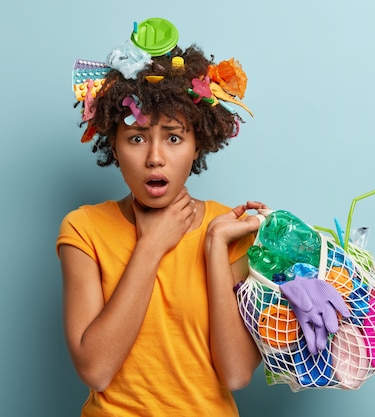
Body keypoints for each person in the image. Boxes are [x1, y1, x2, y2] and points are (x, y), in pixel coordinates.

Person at [56, 17, 265, 416]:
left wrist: (217, 248)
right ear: (114, 145)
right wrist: (151, 246)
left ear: (197, 145)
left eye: (173, 137)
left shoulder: (229, 229)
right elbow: (96, 371)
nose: (155, 157)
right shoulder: (83, 230)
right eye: (136, 138)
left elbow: (235, 374)